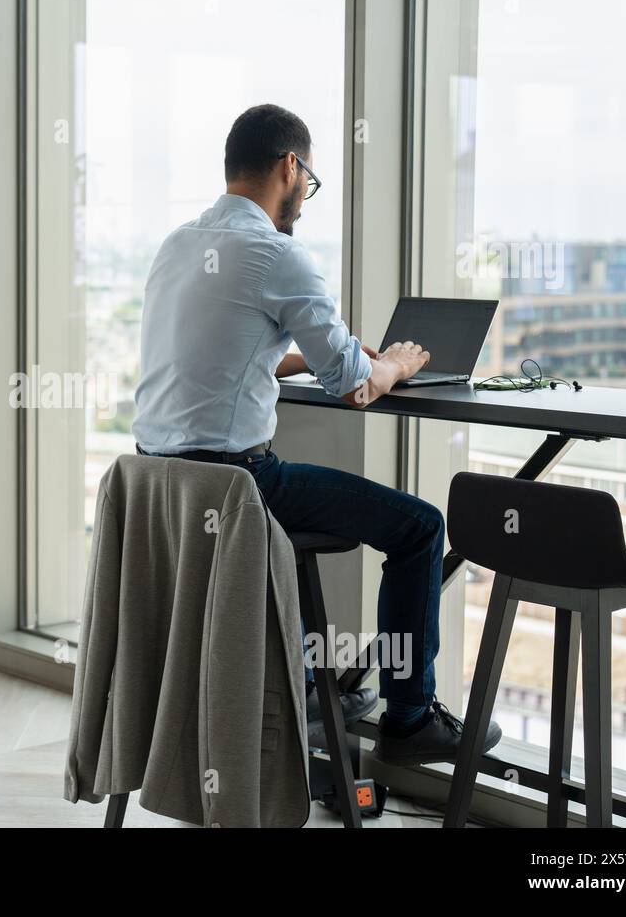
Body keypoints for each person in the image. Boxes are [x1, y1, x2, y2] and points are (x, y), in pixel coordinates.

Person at [131, 103, 500, 766]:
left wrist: (313, 356)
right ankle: (410, 719)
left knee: (321, 504)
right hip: (239, 488)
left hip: (162, 487)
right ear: (290, 168)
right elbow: (356, 388)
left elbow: (224, 355)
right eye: (309, 182)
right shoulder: (279, 254)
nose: (305, 197)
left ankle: (308, 686)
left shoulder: (178, 245)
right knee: (419, 528)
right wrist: (394, 363)